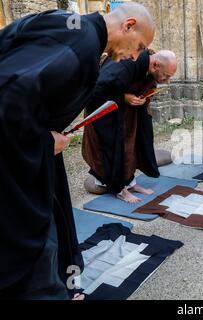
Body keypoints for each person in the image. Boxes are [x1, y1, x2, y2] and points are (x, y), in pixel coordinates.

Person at [0, 3, 155, 299]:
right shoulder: (82, 47)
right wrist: (47, 142)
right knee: (31, 252)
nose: (137, 56)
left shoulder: (64, 22)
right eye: (140, 46)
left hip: (26, 152)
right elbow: (8, 100)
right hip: (14, 164)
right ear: (128, 25)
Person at [82, 49, 177, 203]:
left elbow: (141, 84)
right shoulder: (124, 63)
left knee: (132, 148)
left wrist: (144, 96)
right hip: (107, 115)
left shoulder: (147, 62)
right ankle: (120, 189)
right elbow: (95, 90)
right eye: (166, 75)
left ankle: (130, 183)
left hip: (129, 114)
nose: (167, 80)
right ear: (155, 65)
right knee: (114, 148)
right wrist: (124, 97)